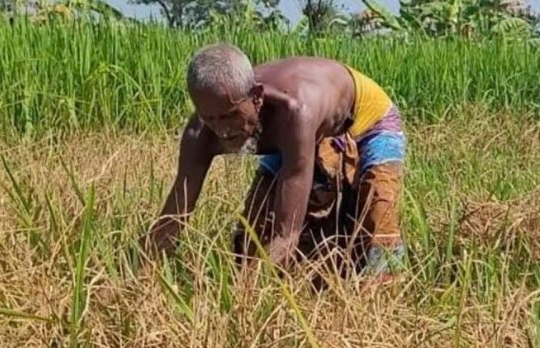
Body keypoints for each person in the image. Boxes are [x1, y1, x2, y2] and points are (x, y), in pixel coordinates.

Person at [139, 43, 408, 279]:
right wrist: (139, 271)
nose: (222, 130)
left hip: (367, 119)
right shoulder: (200, 132)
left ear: (256, 97)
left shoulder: (294, 113)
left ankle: (384, 294)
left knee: (379, 220)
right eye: (210, 118)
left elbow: (286, 234)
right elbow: (174, 217)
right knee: (253, 234)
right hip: (291, 133)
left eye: (231, 115)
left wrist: (245, 296)